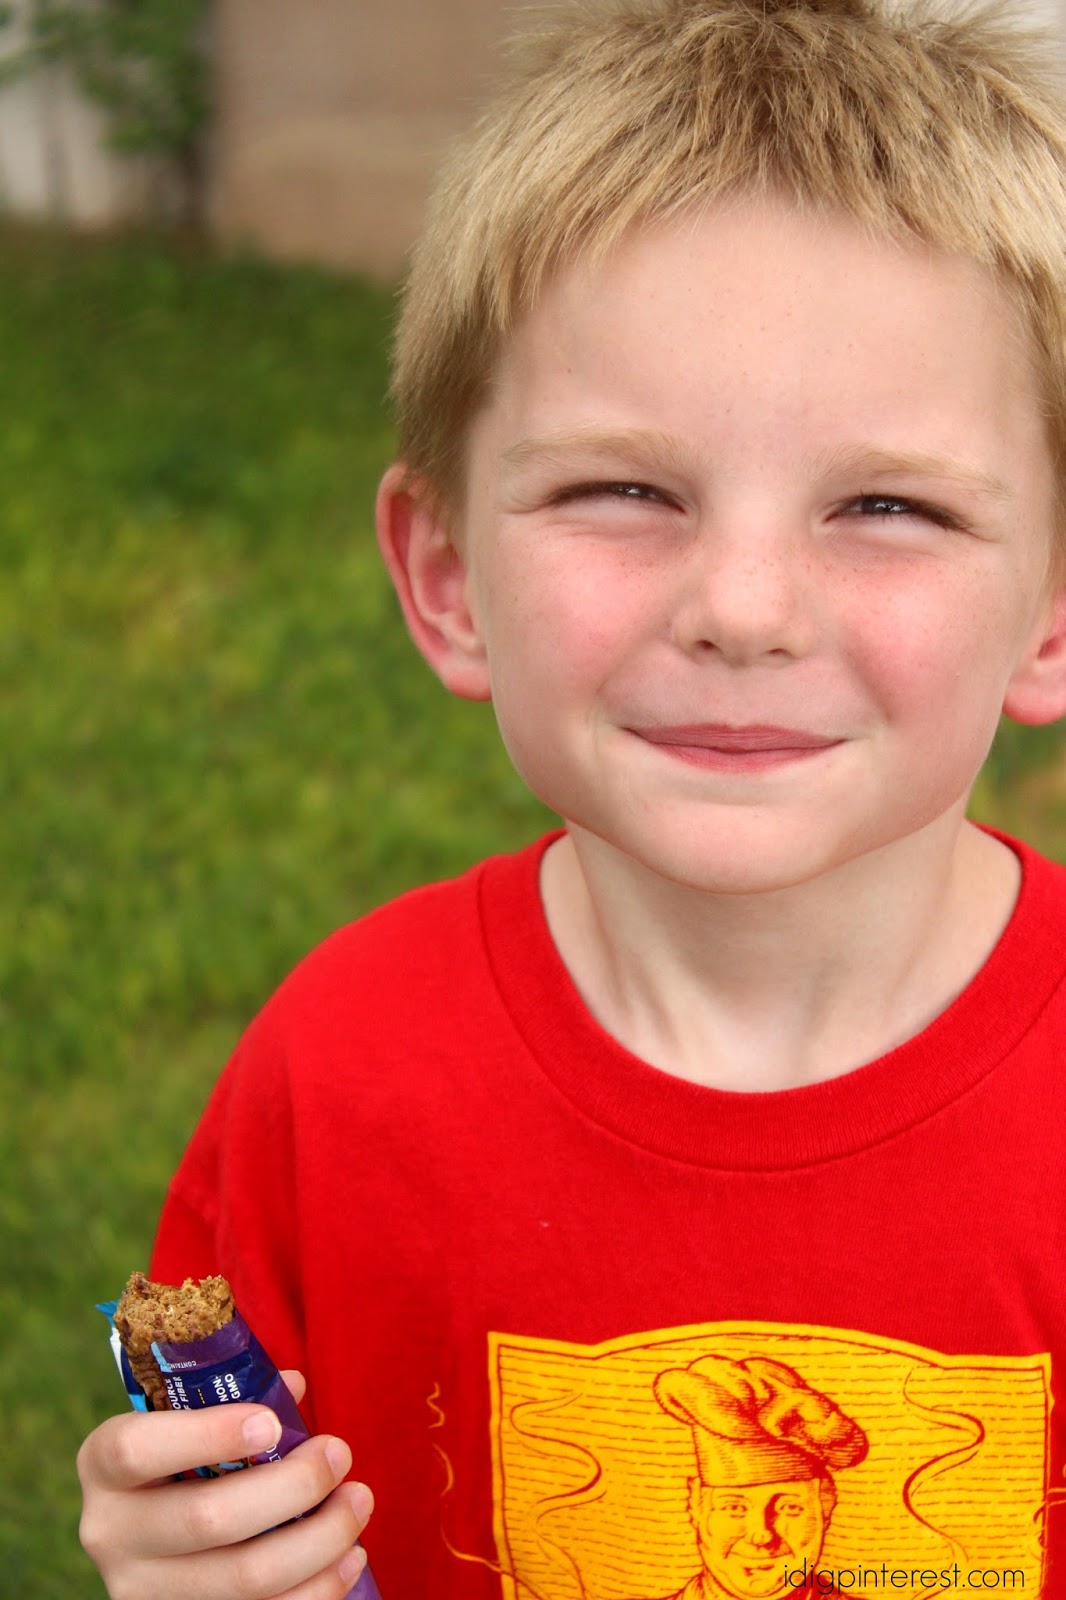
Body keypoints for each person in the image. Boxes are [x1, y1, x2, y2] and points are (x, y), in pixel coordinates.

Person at [76, 0, 1066, 1594]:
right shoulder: (339, 1082)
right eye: (624, 489)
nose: (742, 609)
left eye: (885, 505)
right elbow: (234, 1487)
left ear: (1051, 612)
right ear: (445, 577)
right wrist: (194, 1560)